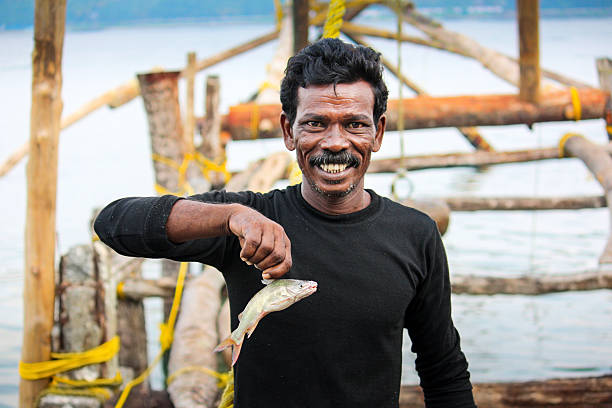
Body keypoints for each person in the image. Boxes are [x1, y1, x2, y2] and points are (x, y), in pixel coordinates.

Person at [95, 38, 476, 408]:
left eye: (354, 125)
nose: (335, 143)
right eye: (315, 123)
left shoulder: (415, 234)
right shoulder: (247, 222)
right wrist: (230, 216)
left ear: (377, 132)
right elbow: (114, 224)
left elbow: (442, 368)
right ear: (287, 131)